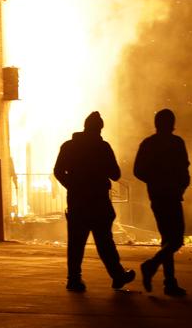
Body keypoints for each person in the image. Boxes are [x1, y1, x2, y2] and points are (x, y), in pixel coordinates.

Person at [53, 111, 136, 292]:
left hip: (77, 202)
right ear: (99, 129)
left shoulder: (69, 146)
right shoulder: (103, 147)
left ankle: (74, 279)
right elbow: (116, 174)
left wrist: (72, 186)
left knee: (76, 243)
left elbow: (58, 171)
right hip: (99, 202)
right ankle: (117, 275)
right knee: (105, 242)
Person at [133, 108, 191, 296]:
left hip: (158, 196)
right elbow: (184, 169)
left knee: (168, 239)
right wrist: (180, 185)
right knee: (176, 240)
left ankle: (169, 281)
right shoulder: (176, 143)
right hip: (172, 196)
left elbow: (138, 171)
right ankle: (153, 267)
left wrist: (154, 180)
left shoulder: (148, 144)